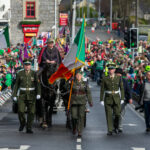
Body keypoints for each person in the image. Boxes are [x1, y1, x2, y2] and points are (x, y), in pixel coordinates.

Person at [12, 59, 41, 134]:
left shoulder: (34, 73)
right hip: (22, 94)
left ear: (30, 66)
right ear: (24, 65)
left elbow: (37, 85)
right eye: (26, 65)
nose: (27, 66)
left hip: (31, 94)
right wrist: (14, 95)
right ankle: (22, 123)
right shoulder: (20, 73)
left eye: (28, 65)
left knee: (31, 112)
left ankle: (29, 127)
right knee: (20, 111)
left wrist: (38, 93)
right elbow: (16, 85)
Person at [100, 63, 124, 135]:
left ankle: (115, 127)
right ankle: (110, 130)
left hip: (116, 98)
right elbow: (102, 89)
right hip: (108, 98)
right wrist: (101, 99)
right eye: (109, 69)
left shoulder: (118, 78)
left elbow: (121, 88)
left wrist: (122, 98)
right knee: (109, 115)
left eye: (112, 69)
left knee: (117, 114)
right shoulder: (105, 78)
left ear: (114, 70)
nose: (111, 70)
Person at [71, 69, 93, 137]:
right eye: (77, 75)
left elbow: (88, 93)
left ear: (81, 76)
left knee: (81, 116)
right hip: (74, 101)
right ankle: (74, 126)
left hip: (82, 101)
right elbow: (67, 90)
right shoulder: (72, 83)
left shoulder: (85, 83)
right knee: (74, 116)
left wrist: (90, 101)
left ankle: (79, 131)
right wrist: (68, 83)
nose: (78, 76)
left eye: (79, 75)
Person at [115, 68, 132, 133]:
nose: (118, 75)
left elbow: (128, 90)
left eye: (119, 74)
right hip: (114, 99)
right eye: (117, 74)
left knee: (121, 114)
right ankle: (114, 126)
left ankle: (120, 127)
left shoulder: (124, 81)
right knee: (114, 114)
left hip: (123, 100)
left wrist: (130, 98)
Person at [139, 66, 150, 132]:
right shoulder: (144, 83)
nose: (149, 76)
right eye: (148, 75)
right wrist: (141, 101)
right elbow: (141, 92)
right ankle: (147, 126)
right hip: (146, 101)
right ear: (146, 75)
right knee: (147, 114)